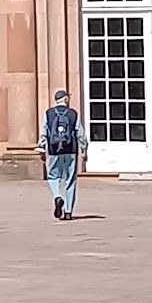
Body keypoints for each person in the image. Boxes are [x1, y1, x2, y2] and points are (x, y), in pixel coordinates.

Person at [37, 89, 88, 220]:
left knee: (53, 176)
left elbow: (44, 131)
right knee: (70, 179)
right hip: (71, 150)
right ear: (65, 99)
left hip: (54, 150)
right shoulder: (73, 114)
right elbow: (80, 133)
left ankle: (57, 196)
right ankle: (68, 211)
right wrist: (84, 150)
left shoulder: (49, 113)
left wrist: (42, 147)